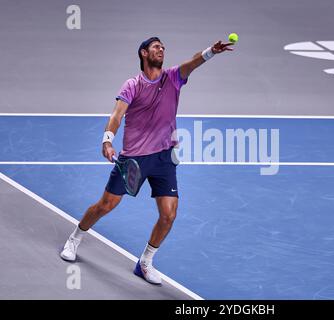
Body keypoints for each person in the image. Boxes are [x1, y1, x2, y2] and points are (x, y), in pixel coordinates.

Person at [60, 36, 233, 285]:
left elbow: (193, 63)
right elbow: (117, 115)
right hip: (135, 158)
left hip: (164, 157)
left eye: (163, 47)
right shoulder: (132, 85)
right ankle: (75, 238)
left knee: (169, 215)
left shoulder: (173, 77)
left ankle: (145, 262)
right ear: (144, 53)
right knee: (105, 205)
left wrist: (211, 52)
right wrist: (107, 141)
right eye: (156, 47)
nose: (161, 50)